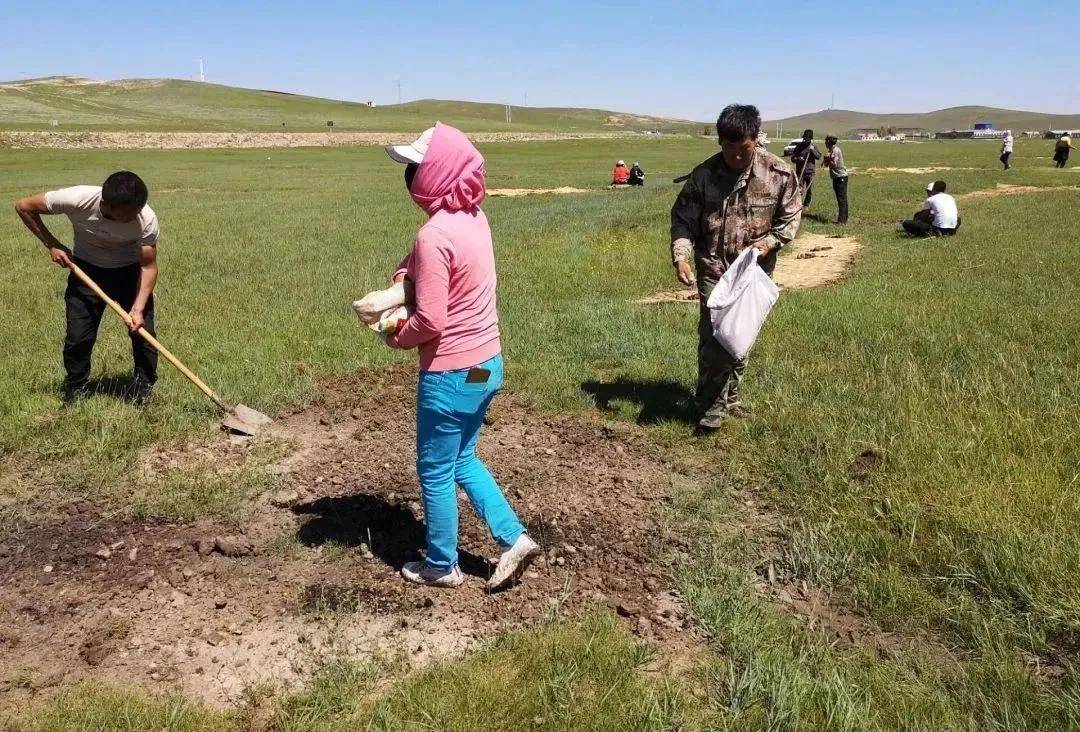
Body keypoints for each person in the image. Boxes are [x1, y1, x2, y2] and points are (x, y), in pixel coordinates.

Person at [384, 123, 539, 591]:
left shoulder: (433, 235)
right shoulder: (474, 217)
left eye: (416, 167)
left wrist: (396, 337)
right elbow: (435, 273)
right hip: (485, 366)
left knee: (434, 469)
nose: (410, 176)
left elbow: (429, 320)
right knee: (463, 456)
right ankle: (514, 538)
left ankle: (441, 564)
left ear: (437, 172)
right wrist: (405, 272)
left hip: (450, 372)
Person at [670, 104, 802, 432]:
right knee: (715, 335)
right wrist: (682, 256)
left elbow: (790, 219)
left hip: (754, 272)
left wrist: (768, 243)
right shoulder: (703, 176)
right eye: (728, 150)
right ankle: (710, 407)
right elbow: (683, 221)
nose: (736, 158)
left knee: (740, 334)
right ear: (720, 142)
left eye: (742, 150)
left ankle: (730, 396)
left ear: (755, 140)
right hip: (713, 267)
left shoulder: (779, 174)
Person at [14, 172, 159, 404]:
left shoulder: (146, 218)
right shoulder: (77, 198)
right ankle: (76, 387)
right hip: (87, 271)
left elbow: (149, 266)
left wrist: (138, 309)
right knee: (78, 336)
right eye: (126, 216)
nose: (134, 218)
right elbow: (23, 206)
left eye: (136, 213)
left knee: (143, 334)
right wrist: (51, 243)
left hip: (129, 273)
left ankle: (143, 387)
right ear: (104, 204)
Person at [789, 129, 822, 210]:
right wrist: (798, 159)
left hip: (810, 172)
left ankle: (806, 205)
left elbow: (818, 156)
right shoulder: (799, 146)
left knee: (809, 189)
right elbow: (792, 158)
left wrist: (813, 150)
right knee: (799, 189)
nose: (806, 139)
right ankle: (797, 204)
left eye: (808, 138)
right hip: (800, 171)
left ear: (811, 138)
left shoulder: (813, 146)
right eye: (805, 138)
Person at [823, 135, 849, 224]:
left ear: (829, 142)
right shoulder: (830, 151)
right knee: (840, 198)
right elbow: (826, 165)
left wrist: (828, 158)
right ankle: (843, 219)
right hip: (836, 177)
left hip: (840, 177)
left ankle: (842, 221)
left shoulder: (835, 150)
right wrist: (826, 159)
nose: (825, 143)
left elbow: (834, 164)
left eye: (826, 141)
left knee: (842, 198)